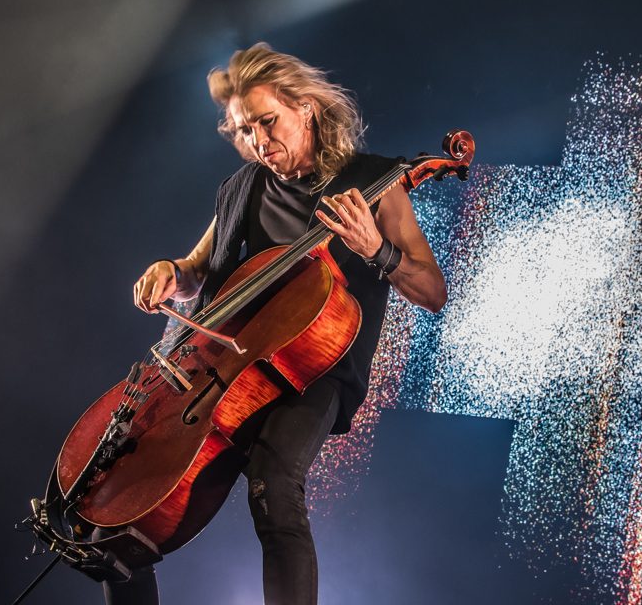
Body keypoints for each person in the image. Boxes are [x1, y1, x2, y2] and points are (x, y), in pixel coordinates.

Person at [120, 44, 447, 605]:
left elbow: (433, 291)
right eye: (245, 131)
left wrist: (377, 250)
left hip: (317, 369)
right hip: (232, 365)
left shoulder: (377, 181)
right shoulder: (244, 188)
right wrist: (169, 273)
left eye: (268, 123)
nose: (258, 143)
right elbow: (199, 269)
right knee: (130, 507)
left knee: (273, 488)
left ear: (308, 108)